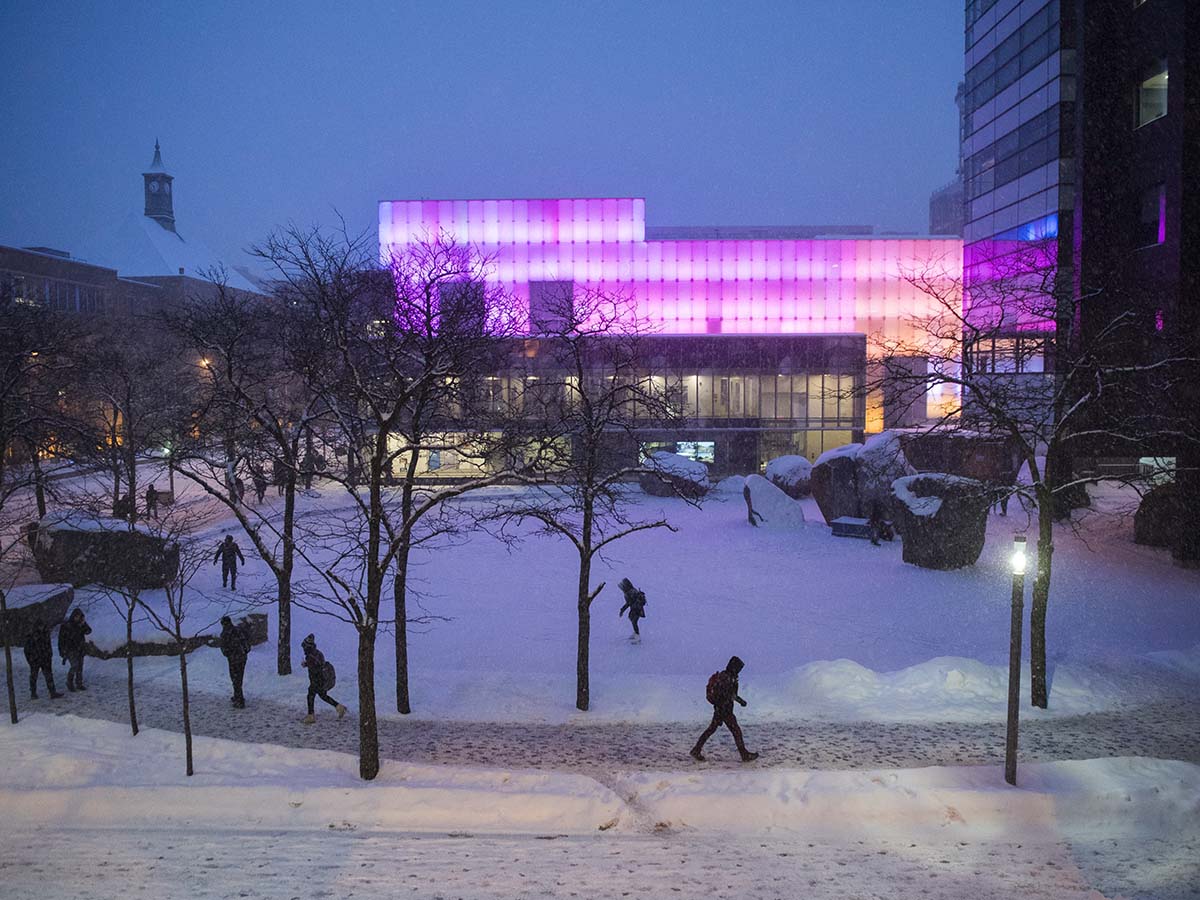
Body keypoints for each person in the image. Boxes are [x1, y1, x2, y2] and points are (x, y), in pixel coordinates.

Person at [690, 655, 758, 762]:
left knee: (711, 730)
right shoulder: (727, 678)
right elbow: (728, 694)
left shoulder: (727, 676)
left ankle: (696, 750)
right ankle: (744, 755)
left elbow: (728, 694)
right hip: (724, 710)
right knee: (736, 731)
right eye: (739, 668)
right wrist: (740, 702)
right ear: (734, 666)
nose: (740, 670)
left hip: (721, 709)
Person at [300, 634, 346, 723]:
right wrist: (307, 664)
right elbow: (319, 664)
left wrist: (308, 665)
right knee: (322, 695)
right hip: (323, 679)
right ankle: (339, 707)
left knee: (310, 695)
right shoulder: (318, 653)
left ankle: (311, 716)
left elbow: (314, 668)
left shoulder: (309, 656)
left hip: (317, 680)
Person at [23, 620, 62, 699]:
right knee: (34, 676)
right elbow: (27, 649)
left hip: (45, 659)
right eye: (40, 626)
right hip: (35, 660)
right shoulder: (32, 636)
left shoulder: (45, 634)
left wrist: (49, 655)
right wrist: (31, 660)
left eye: (43, 626)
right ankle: (33, 693)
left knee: (48, 676)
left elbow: (48, 646)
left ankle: (52, 692)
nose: (42, 627)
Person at [219, 615, 251, 708]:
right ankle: (237, 696)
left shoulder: (225, 633)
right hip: (243, 657)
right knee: (239, 678)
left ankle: (239, 700)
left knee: (235, 678)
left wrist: (229, 654)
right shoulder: (238, 629)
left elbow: (224, 649)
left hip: (233, 659)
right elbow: (247, 640)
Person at [57, 608, 92, 692]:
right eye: (77, 616)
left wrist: (84, 624)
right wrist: (62, 650)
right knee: (75, 665)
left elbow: (88, 631)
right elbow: (61, 639)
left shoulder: (81, 624)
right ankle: (70, 682)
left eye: (79, 617)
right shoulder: (66, 625)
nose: (77, 618)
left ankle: (79, 683)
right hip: (70, 649)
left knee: (80, 666)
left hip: (79, 648)